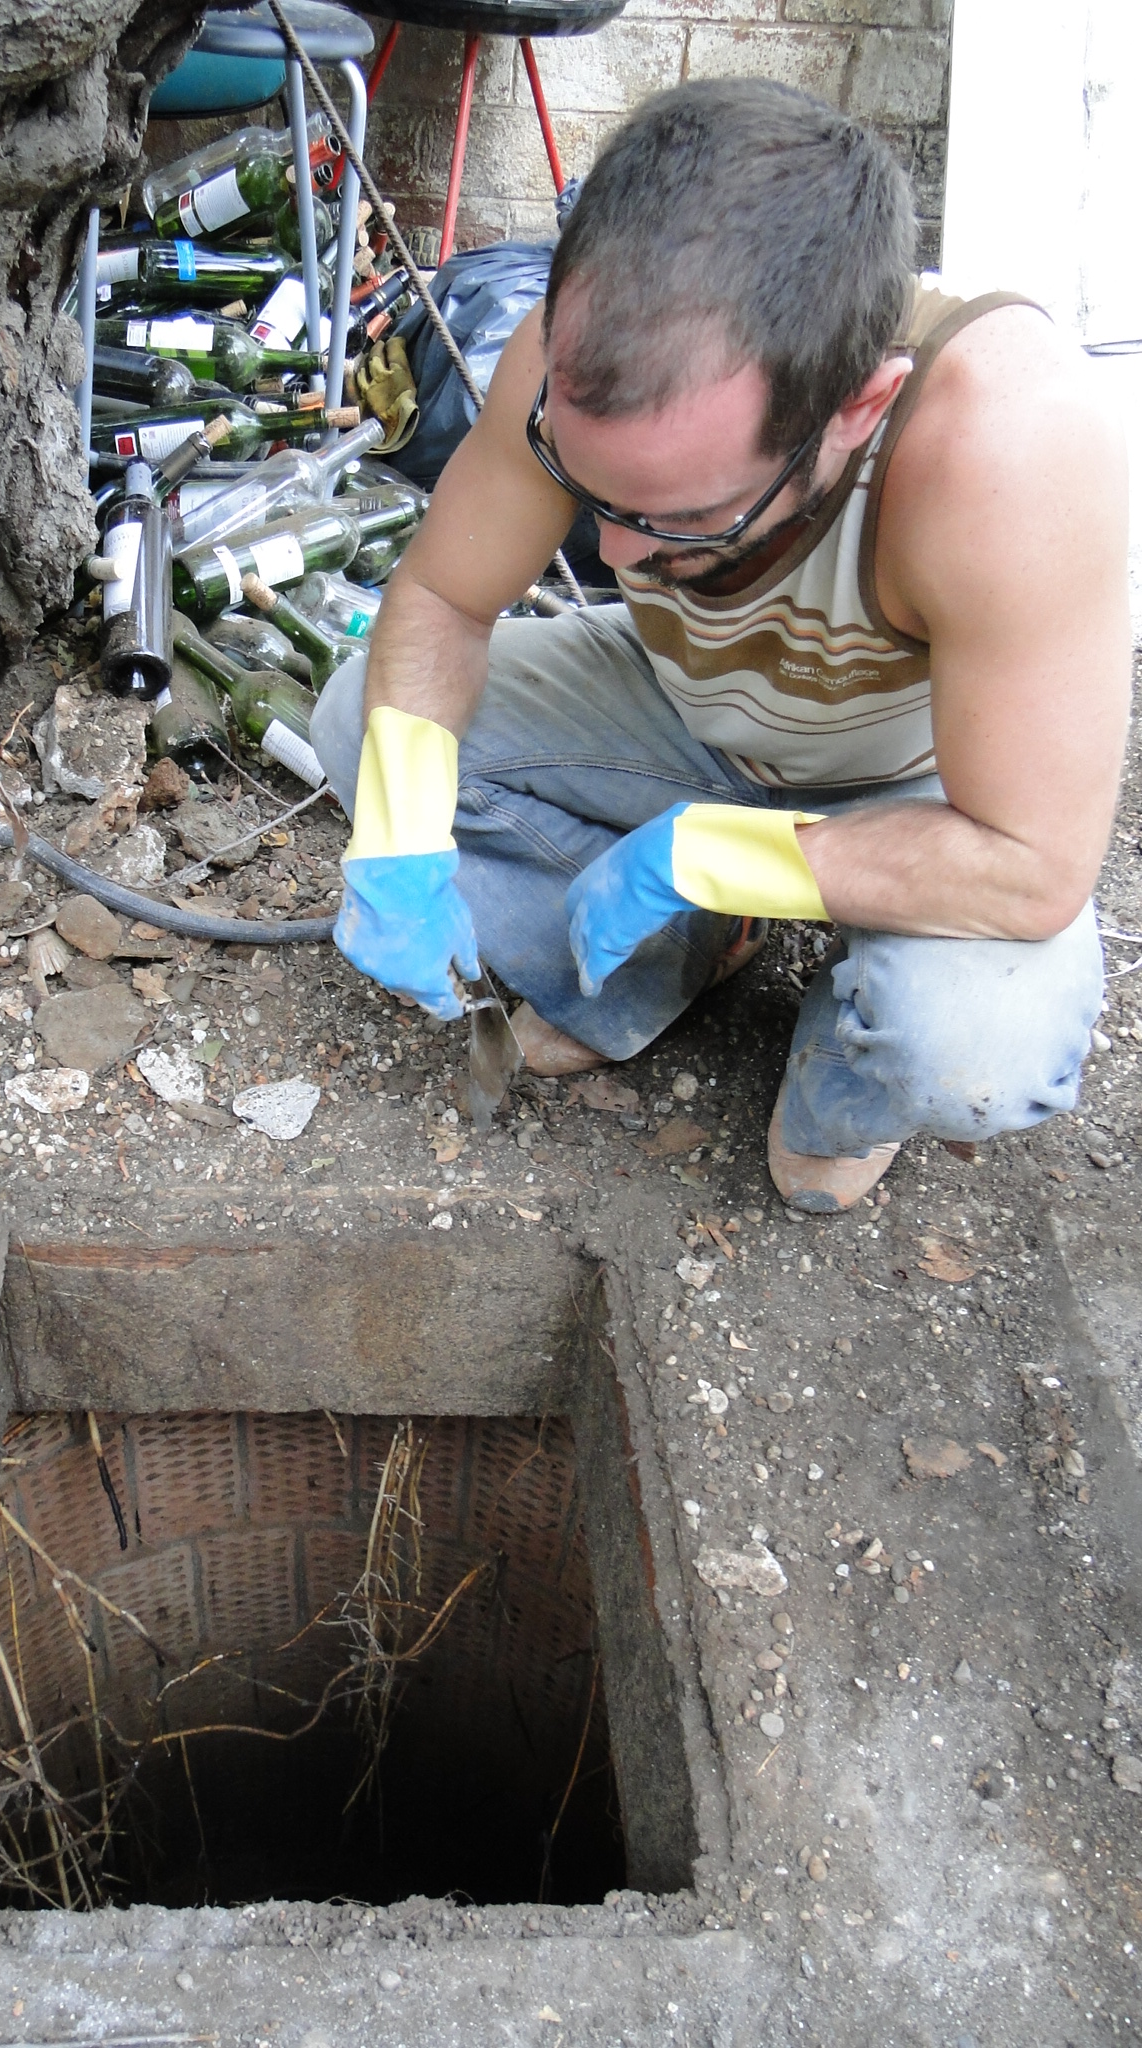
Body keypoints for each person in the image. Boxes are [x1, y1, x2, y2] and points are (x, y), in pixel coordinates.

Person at [309, 77, 1131, 1213]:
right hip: (688, 716)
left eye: (683, 517)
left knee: (973, 1045)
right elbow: (446, 601)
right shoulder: (573, 352)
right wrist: (402, 832)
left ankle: (841, 1076)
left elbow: (1030, 864)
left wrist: (716, 855)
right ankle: (663, 958)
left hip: (920, 789)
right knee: (363, 727)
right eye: (591, 491)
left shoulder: (1011, 450)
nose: (617, 553)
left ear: (857, 407)